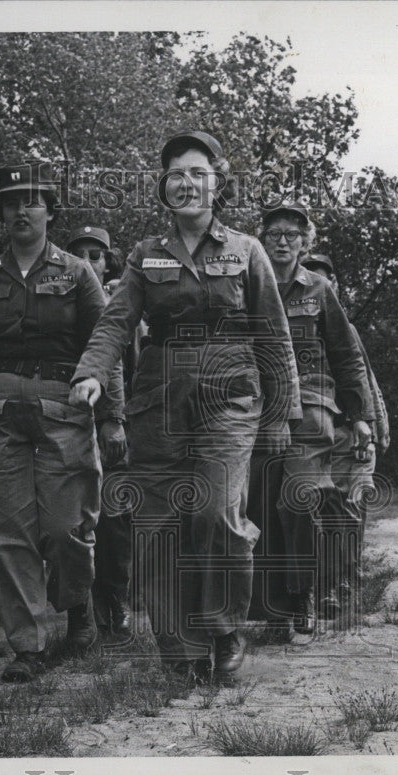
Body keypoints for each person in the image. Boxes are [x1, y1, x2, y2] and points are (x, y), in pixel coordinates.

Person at [69, 131, 300, 681]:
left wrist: (283, 413)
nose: (187, 183)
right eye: (176, 174)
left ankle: (222, 630)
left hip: (230, 394)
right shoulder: (145, 255)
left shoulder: (247, 250)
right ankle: (179, 647)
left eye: (198, 172)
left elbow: (275, 332)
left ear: (218, 184)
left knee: (217, 511)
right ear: (163, 188)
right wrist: (91, 374)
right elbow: (115, 322)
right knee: (161, 521)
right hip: (160, 398)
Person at [0, 162, 126, 682]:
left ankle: (78, 604)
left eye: (33, 200)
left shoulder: (78, 272)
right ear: (0, 213)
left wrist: (112, 418)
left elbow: (104, 346)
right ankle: (27, 645)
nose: (22, 210)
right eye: (11, 202)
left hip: (64, 409)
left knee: (68, 529)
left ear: (49, 211)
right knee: (7, 533)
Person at [247, 208, 374, 641]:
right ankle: (273, 610)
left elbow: (347, 356)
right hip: (255, 410)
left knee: (297, 500)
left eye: (293, 235)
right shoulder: (245, 287)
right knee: (260, 507)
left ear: (305, 242)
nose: (283, 242)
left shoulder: (318, 290)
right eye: (274, 234)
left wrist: (359, 418)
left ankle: (303, 595)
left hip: (311, 407)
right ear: (261, 239)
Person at [302, 253, 390, 619]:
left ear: (335, 285)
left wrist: (376, 423)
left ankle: (344, 579)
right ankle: (324, 586)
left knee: (350, 508)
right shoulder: (293, 323)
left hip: (350, 430)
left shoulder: (346, 329)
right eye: (312, 278)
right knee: (323, 509)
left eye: (327, 278)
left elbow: (364, 378)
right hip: (317, 429)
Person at [67, 225, 133, 640]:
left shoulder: (128, 304)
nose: (89, 262)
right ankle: (81, 610)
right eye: (81, 254)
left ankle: (116, 601)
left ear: (109, 261)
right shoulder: (61, 305)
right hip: (69, 421)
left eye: (97, 254)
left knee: (114, 518)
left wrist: (120, 419)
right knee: (73, 519)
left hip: (118, 427)